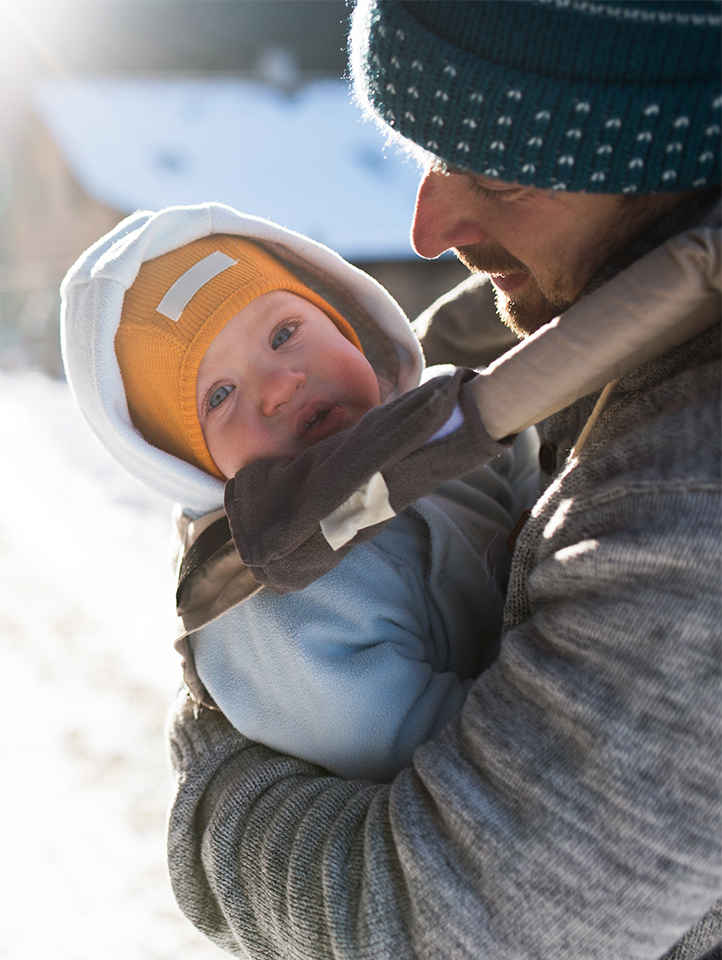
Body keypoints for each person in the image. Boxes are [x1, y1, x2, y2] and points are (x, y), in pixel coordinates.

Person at [164, 2, 722, 958]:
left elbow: (449, 931)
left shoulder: (686, 503)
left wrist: (215, 807)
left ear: (670, 156)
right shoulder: (531, 358)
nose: (427, 229)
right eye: (426, 153)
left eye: (498, 176)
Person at [60, 205, 539, 783]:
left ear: (340, 319)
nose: (281, 387)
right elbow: (442, 759)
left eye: (285, 333)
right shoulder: (267, 614)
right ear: (186, 466)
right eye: (220, 395)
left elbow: (545, 493)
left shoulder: (447, 416)